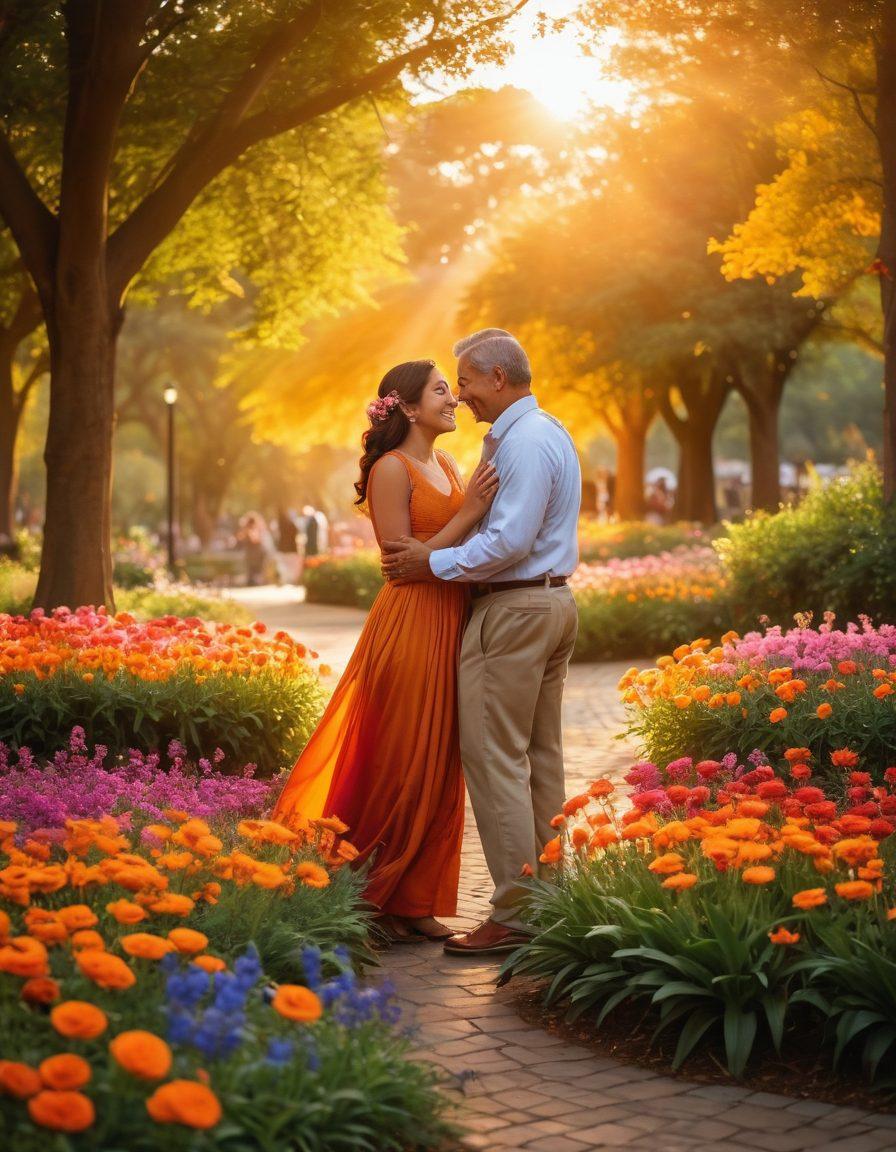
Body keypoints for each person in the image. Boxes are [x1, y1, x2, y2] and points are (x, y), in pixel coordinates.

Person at [272, 360, 499, 945]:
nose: (454, 398)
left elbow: (455, 549)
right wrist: (471, 513)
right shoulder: (390, 471)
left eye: (453, 389)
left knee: (439, 763)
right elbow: (403, 561)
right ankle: (367, 895)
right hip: (410, 623)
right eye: (441, 390)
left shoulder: (446, 463)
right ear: (405, 406)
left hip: (452, 619)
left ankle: (415, 899)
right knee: (399, 758)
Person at [382, 330, 581, 957]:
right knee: (539, 758)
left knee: (494, 759)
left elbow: (510, 542)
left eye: (465, 382)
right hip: (553, 603)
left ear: (497, 377)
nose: (462, 396)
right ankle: (554, 897)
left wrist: (430, 566)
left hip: (516, 608)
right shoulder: (548, 431)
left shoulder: (520, 443)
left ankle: (515, 913)